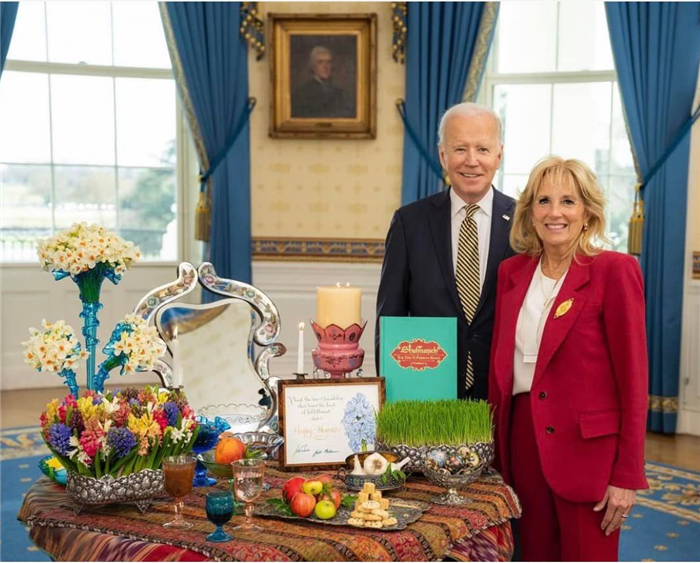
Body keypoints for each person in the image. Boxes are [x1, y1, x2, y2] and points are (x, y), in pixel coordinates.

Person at [488, 156, 649, 561]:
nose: (554, 212)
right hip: (521, 443)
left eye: (568, 201)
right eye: (543, 201)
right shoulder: (512, 272)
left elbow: (634, 381)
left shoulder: (614, 271)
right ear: (529, 212)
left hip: (588, 453)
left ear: (588, 213)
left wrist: (626, 475)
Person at [376, 102, 516, 399]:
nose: (471, 161)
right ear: (442, 155)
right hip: (425, 392)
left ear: (499, 155)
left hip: (502, 393)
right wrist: (389, 392)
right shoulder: (408, 222)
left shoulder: (524, 223)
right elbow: (390, 317)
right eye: (460, 149)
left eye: (482, 149)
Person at [291, 46, 354, 119]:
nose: (326, 67)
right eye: (320, 62)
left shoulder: (339, 93)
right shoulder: (301, 93)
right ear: (312, 66)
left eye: (328, 62)